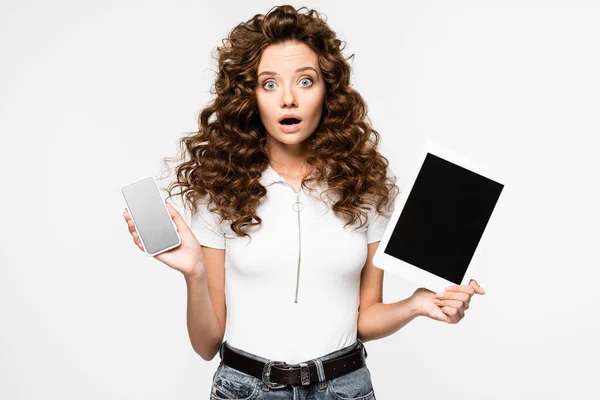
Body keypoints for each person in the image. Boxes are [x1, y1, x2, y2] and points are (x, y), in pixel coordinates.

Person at [123, 5, 485, 399]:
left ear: (328, 90)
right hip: (246, 390)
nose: (289, 99)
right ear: (250, 96)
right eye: (270, 84)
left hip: (344, 389)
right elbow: (206, 344)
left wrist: (416, 304)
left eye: (306, 81)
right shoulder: (221, 192)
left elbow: (364, 318)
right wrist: (193, 272)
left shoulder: (365, 189)